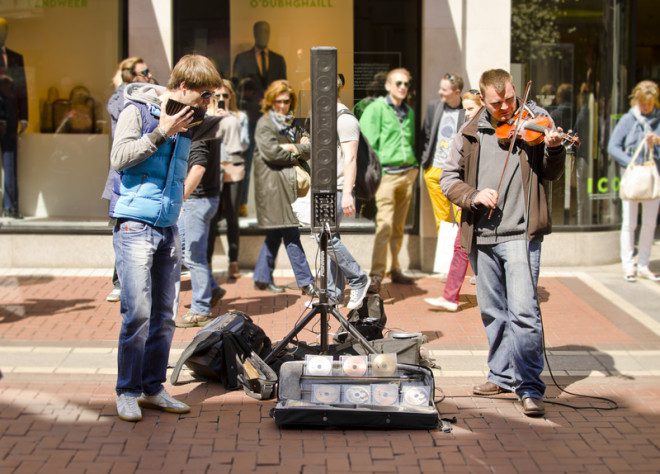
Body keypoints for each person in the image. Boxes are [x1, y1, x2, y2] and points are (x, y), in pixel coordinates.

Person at [110, 54, 243, 422]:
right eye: (203, 96)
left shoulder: (192, 122)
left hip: (168, 225)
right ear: (182, 87)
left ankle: (153, 388)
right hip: (135, 224)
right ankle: (127, 390)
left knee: (165, 317)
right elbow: (119, 158)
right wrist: (161, 132)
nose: (206, 104)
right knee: (137, 313)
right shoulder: (136, 111)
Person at [441, 69, 566, 417]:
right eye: (498, 103)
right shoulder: (469, 132)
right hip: (482, 236)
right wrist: (474, 193)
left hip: (519, 234)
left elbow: (551, 172)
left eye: (511, 98)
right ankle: (500, 373)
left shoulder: (535, 123)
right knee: (492, 312)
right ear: (483, 100)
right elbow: (448, 179)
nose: (507, 107)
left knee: (524, 312)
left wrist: (554, 150)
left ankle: (528, 386)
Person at [175, 85, 244, 328]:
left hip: (197, 199)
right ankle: (211, 289)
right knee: (188, 252)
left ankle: (201, 309)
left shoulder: (197, 130)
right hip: (203, 198)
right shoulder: (210, 124)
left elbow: (199, 167)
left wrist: (180, 196)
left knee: (194, 255)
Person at [303, 75, 371, 309]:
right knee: (329, 238)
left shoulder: (345, 119)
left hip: (339, 188)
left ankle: (358, 278)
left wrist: (349, 193)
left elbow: (351, 159)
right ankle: (332, 295)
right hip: (323, 187)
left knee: (323, 237)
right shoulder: (324, 117)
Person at [252, 80, 317, 296]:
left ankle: (262, 277)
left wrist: (291, 147)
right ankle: (307, 282)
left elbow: (309, 149)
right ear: (271, 102)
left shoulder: (291, 125)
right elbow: (272, 154)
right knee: (291, 233)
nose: (282, 105)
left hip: (285, 183)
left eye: (287, 101)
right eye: (278, 101)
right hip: (272, 186)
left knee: (274, 234)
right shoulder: (265, 124)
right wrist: (295, 151)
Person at [359, 68, 418, 293]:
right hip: (387, 175)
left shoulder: (409, 112)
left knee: (399, 226)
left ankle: (394, 268)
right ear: (388, 86)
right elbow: (366, 143)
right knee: (384, 225)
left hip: (407, 174)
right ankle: (376, 274)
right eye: (399, 83)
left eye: (406, 84)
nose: (403, 87)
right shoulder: (376, 109)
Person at [102, 56, 155, 303]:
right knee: (122, 228)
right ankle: (119, 282)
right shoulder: (123, 101)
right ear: (130, 76)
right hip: (123, 175)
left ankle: (129, 280)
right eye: (144, 72)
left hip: (141, 174)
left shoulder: (145, 95)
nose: (149, 74)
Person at [425, 89, 482, 311]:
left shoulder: (485, 133)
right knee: (461, 246)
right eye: (465, 109)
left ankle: (452, 296)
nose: (466, 113)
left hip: (482, 200)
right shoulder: (466, 130)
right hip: (470, 198)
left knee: (468, 248)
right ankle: (450, 297)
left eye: (471, 108)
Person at [233, 21, 287, 218]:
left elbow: (283, 87)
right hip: (250, 116)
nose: (263, 35)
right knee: (246, 159)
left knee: (273, 158)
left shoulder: (278, 60)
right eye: (260, 32)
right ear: (254, 33)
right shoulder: (242, 59)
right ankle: (242, 203)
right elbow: (238, 87)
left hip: (272, 117)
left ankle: (273, 200)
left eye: (266, 31)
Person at [607, 80, 660, 282]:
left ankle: (644, 264)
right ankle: (629, 265)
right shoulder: (629, 119)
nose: (646, 107)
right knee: (629, 222)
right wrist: (631, 163)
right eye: (642, 102)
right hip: (632, 177)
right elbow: (613, 146)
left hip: (653, 177)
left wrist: (657, 142)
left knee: (649, 224)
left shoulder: (658, 119)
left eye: (649, 103)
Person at [207, 79, 251, 280]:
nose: (222, 99)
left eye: (225, 95)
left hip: (233, 169)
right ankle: (206, 263)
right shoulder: (207, 116)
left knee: (232, 215)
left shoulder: (240, 117)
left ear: (231, 96)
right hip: (212, 170)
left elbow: (244, 145)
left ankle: (233, 262)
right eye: (217, 96)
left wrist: (229, 124)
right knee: (212, 216)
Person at [421, 73, 465, 230]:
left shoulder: (467, 111)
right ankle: (447, 254)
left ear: (457, 92)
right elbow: (426, 135)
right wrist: (425, 164)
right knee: (442, 220)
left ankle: (463, 254)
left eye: (444, 89)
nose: (440, 92)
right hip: (434, 171)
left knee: (462, 216)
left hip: (456, 173)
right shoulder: (434, 107)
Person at [0, 17, 27, 219]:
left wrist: (24, 117)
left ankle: (11, 207)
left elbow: (22, 89)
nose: (2, 33)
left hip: (10, 119)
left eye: (4, 30)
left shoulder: (16, 58)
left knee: (10, 164)